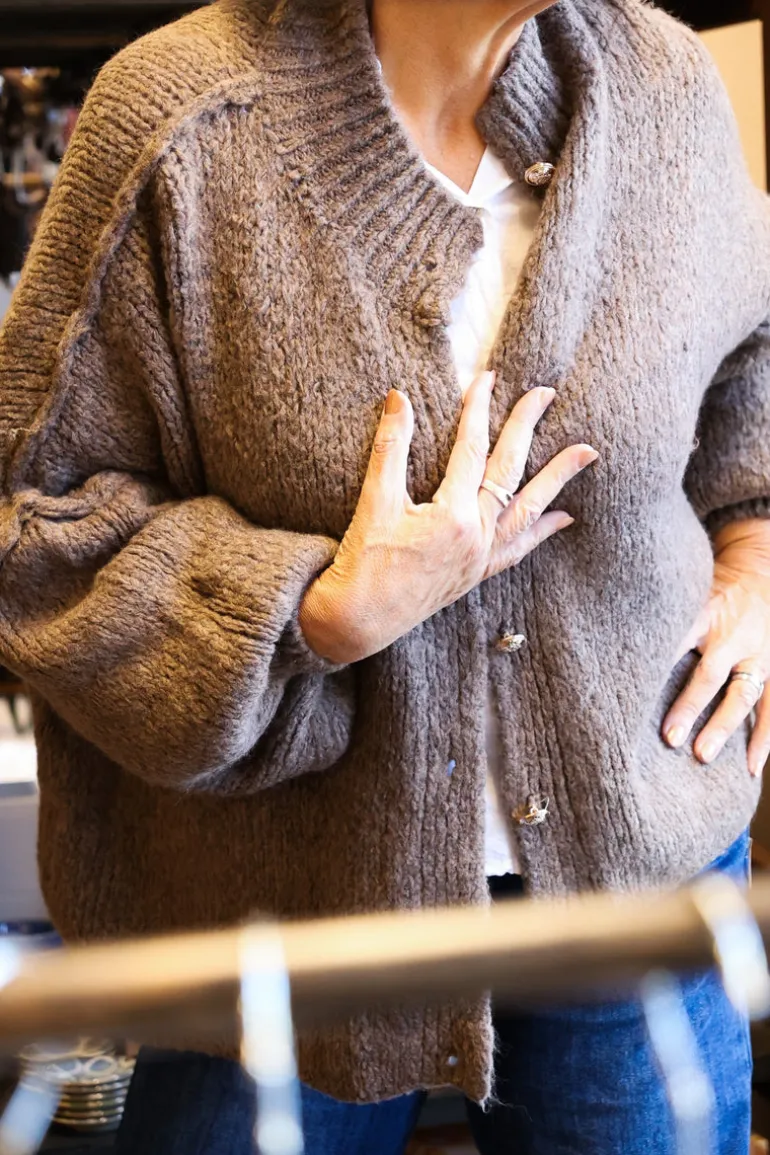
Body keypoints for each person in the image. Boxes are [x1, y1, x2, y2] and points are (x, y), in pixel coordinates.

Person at [0, 0, 769, 1150]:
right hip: (278, 915)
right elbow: (32, 519)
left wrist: (754, 549)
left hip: (634, 868)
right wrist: (312, 614)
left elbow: (747, 358)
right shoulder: (178, 117)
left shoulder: (656, 77)